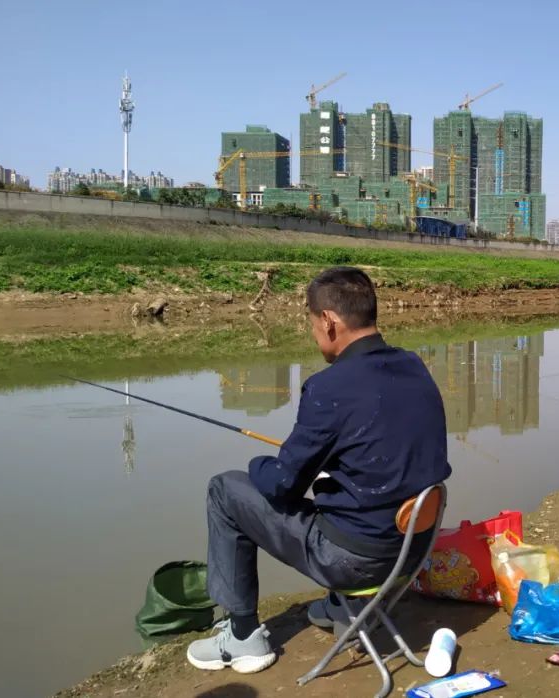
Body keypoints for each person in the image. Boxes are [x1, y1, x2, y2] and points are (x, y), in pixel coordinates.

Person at [186, 266, 452, 673]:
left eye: (312, 323)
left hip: (356, 562)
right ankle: (342, 607)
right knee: (340, 485)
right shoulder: (414, 365)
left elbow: (283, 485)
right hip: (413, 550)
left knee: (225, 489)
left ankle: (242, 639)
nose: (313, 333)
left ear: (328, 321)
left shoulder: (329, 387)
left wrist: (261, 464)